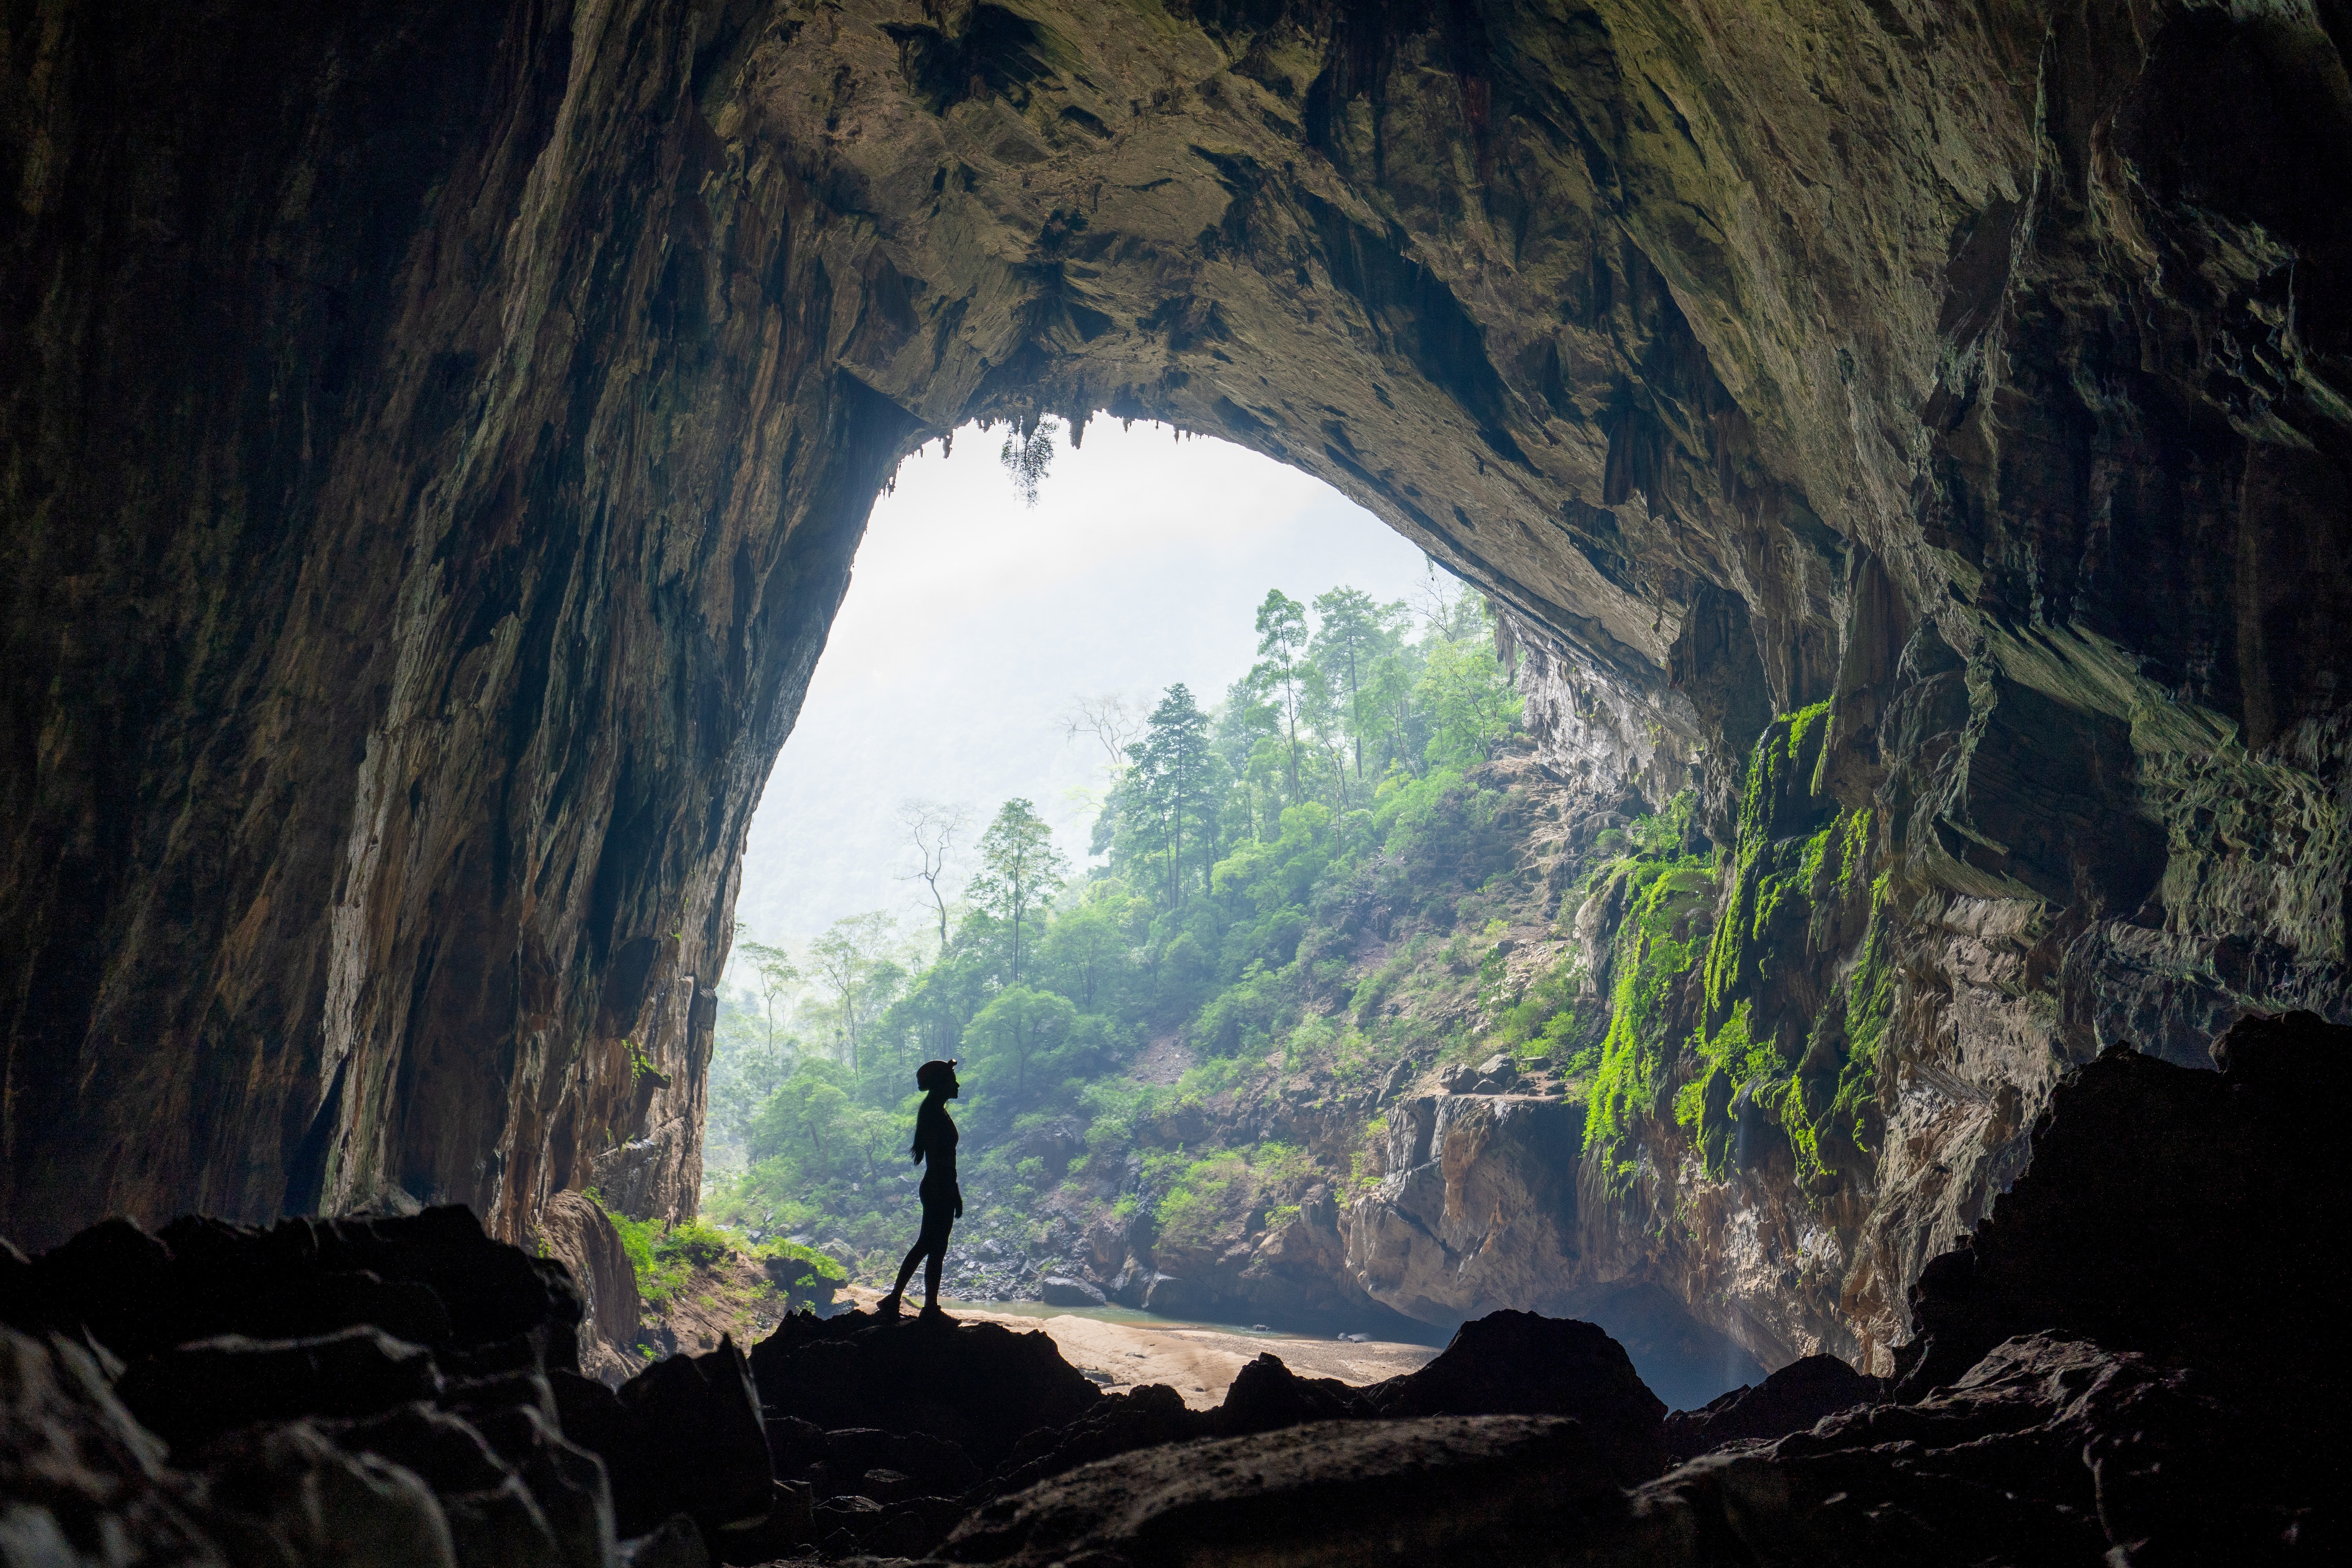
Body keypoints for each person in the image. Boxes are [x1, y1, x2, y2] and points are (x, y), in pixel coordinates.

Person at [879, 1058, 962, 1317]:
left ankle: (906, 1302)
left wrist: (954, 1190)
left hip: (939, 1186)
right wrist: (950, 1190)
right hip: (939, 1186)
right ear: (941, 1083)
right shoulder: (933, 1113)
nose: (957, 1083)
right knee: (932, 1246)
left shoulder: (935, 1110)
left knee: (930, 1246)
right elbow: (939, 1160)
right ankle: (922, 1307)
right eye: (951, 1078)